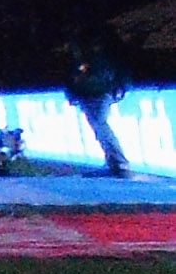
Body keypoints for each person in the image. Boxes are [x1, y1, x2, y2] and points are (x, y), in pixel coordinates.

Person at [58, 31, 141, 176]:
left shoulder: (103, 58)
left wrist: (79, 84)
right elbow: (71, 77)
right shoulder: (81, 58)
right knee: (98, 128)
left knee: (101, 126)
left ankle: (119, 161)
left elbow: (104, 76)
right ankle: (113, 161)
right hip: (87, 94)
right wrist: (74, 91)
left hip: (98, 94)